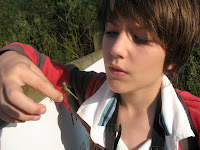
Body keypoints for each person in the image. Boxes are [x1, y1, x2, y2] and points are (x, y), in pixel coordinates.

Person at [0, 0, 199, 149]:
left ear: (172, 57)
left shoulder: (192, 122)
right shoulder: (90, 92)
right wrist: (8, 59)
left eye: (140, 38)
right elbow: (39, 61)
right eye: (111, 32)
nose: (116, 48)